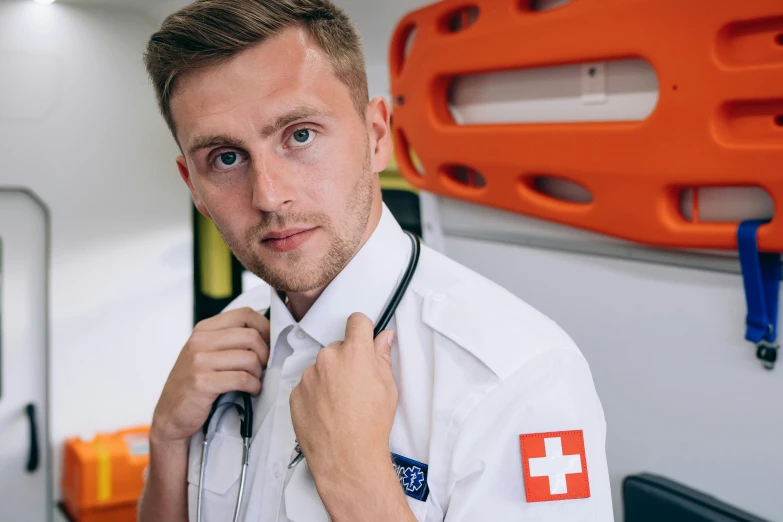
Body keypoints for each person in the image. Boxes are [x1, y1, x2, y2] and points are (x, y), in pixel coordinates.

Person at [138, 1, 614, 520]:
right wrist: (166, 438)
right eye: (226, 158)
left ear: (377, 136)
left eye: (300, 135)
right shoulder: (231, 336)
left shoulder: (519, 374)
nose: (269, 196)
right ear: (195, 188)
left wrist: (358, 484)